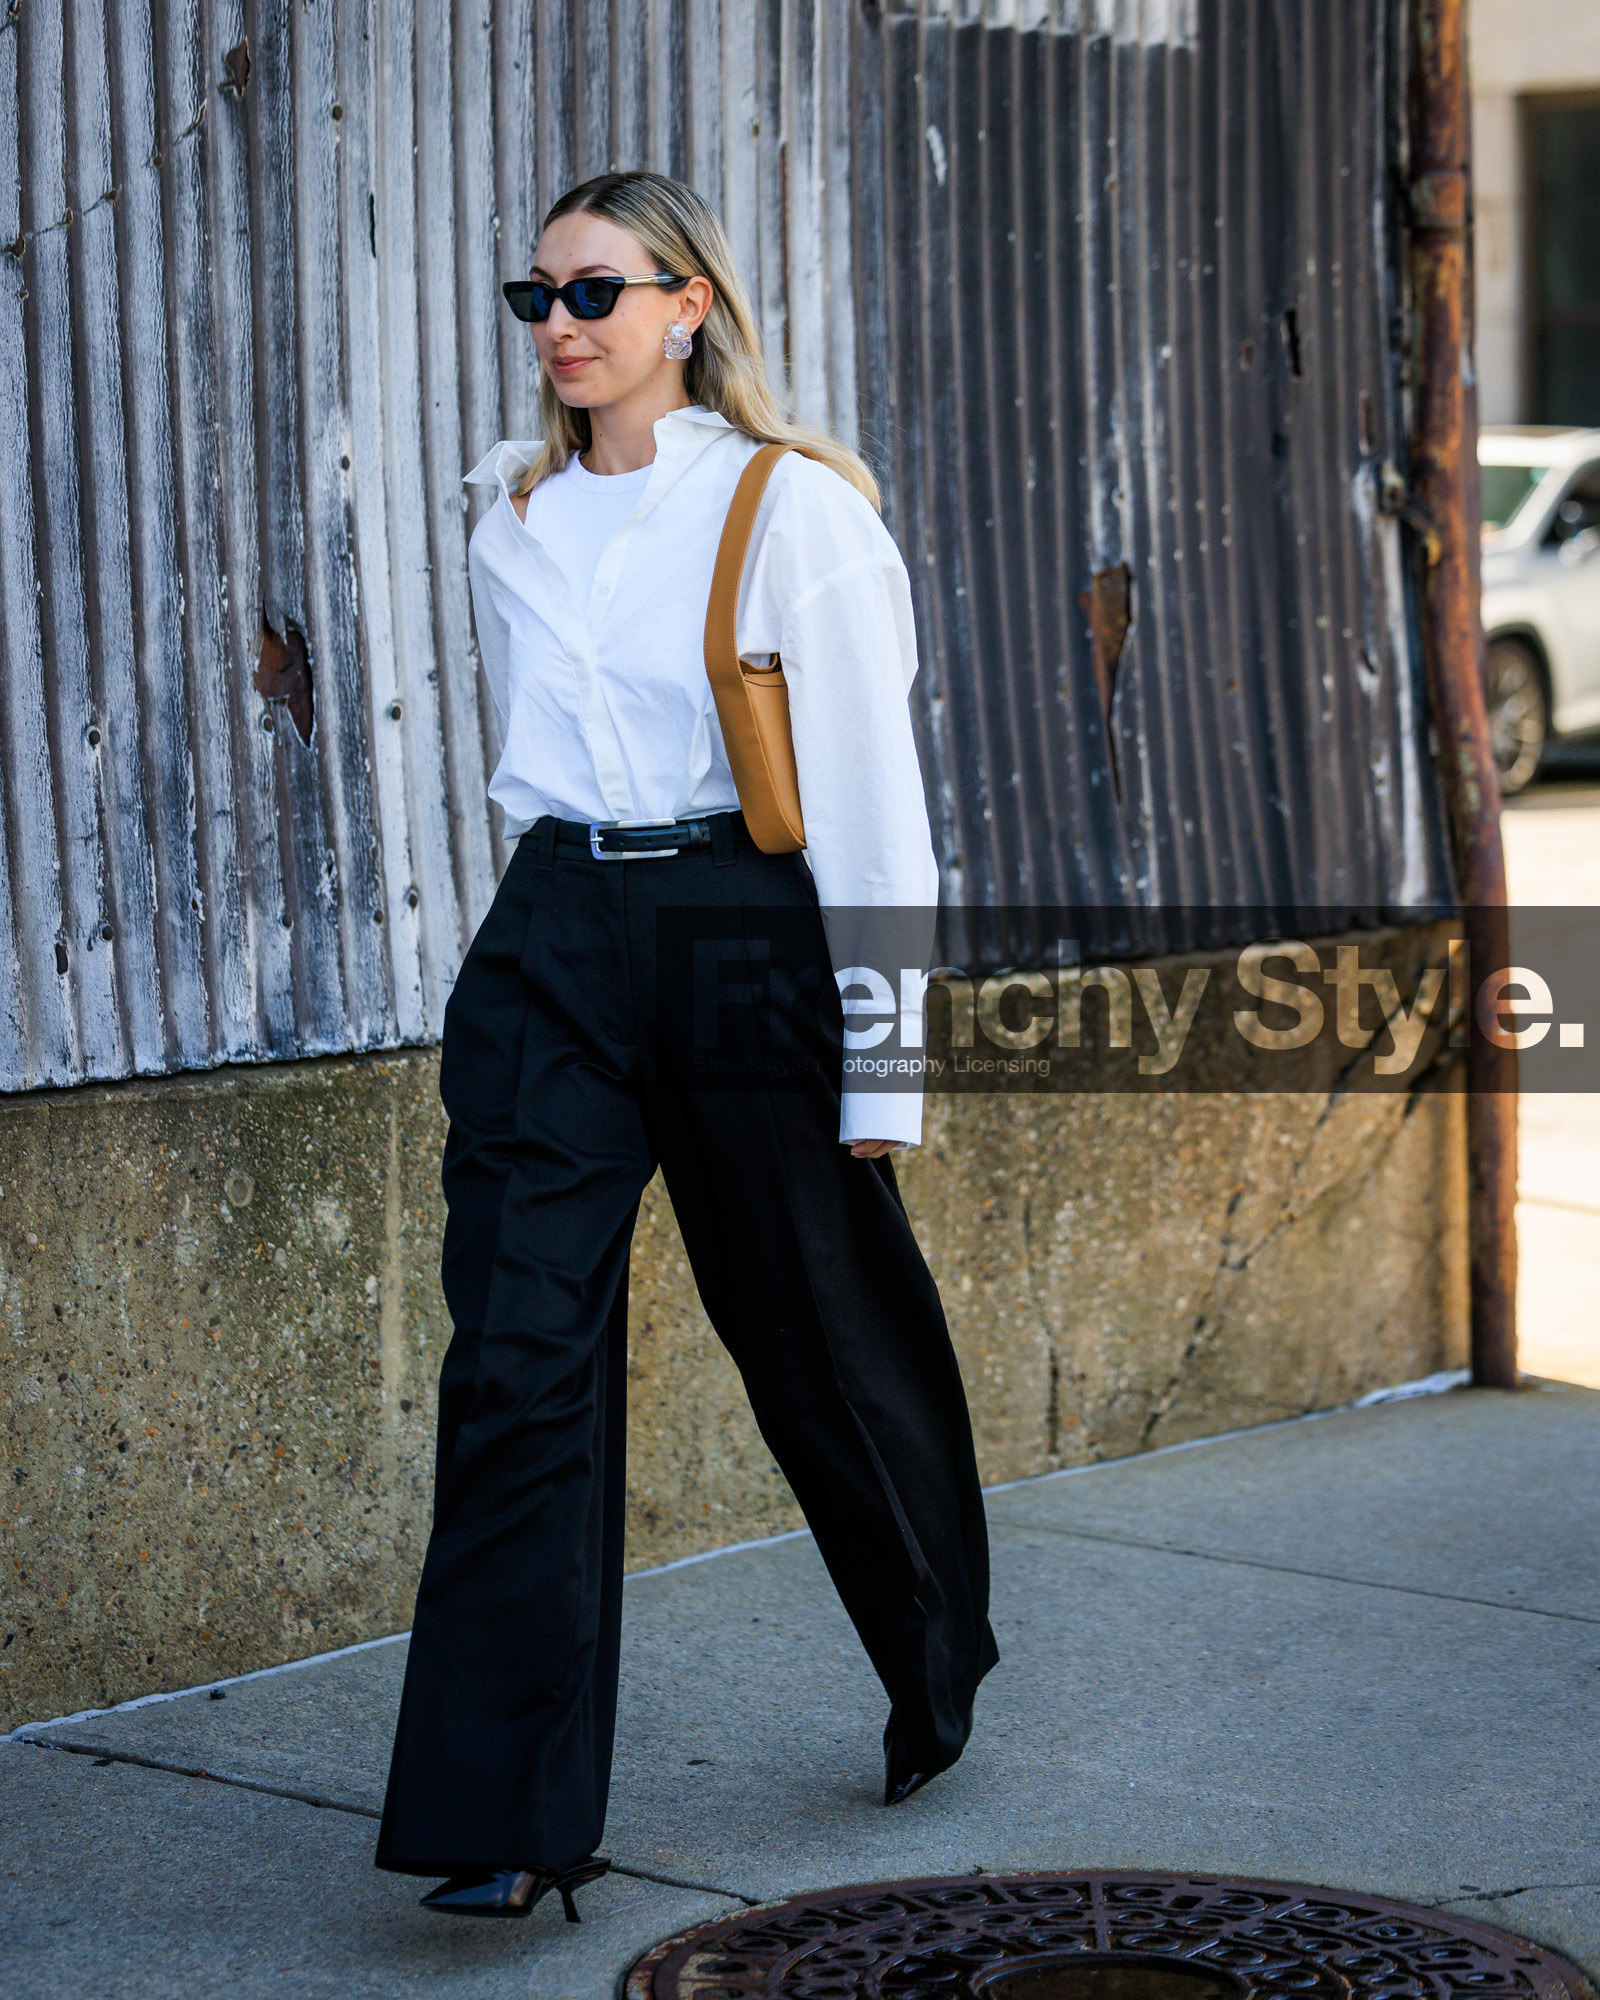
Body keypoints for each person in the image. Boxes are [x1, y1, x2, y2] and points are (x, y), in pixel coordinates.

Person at [374, 169, 998, 1923]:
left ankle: (937, 1649)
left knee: (814, 1324)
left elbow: (878, 805)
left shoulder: (792, 511)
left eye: (596, 294)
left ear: (688, 305)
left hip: (741, 934)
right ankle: (498, 1819)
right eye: (539, 301)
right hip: (554, 935)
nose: (561, 328)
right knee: (513, 1356)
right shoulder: (509, 509)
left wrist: (886, 1066)